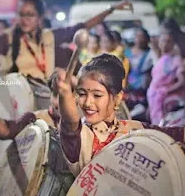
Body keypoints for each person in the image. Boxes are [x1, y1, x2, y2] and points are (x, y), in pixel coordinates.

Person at [56, 54, 185, 176]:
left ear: (117, 99)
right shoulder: (78, 138)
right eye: (82, 93)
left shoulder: (136, 130)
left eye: (97, 95)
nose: (88, 103)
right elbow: (70, 122)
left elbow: (175, 135)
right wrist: (65, 95)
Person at [0, 0, 133, 81]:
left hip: (45, 99)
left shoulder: (50, 36)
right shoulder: (7, 39)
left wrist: (112, 8)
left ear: (39, 17)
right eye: (22, 14)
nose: (25, 19)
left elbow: (85, 25)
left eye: (30, 15)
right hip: (12, 101)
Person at [147, 30, 185, 125]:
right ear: (159, 43)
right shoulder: (160, 60)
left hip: (168, 103)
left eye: (169, 41)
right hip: (154, 100)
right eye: (163, 41)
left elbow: (182, 82)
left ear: (173, 44)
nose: (165, 44)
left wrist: (165, 91)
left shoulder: (176, 60)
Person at [125, 27, 153, 120]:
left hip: (143, 90)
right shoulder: (127, 52)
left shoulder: (150, 53)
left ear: (147, 39)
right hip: (128, 88)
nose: (140, 39)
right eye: (138, 36)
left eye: (142, 37)